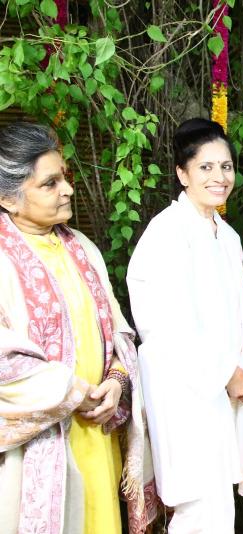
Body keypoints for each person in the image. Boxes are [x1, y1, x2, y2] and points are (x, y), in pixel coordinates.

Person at [0, 122, 154, 534]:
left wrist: (118, 381)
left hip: (96, 432)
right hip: (34, 447)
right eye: (49, 183)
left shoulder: (82, 248)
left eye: (64, 177)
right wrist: (72, 391)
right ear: (7, 198)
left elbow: (119, 335)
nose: (67, 189)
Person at [127, 118, 243, 533]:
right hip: (187, 393)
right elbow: (164, 325)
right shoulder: (167, 232)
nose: (219, 177)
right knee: (198, 508)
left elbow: (241, 314)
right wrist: (227, 374)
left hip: (227, 389)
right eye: (206, 167)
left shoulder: (228, 236)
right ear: (182, 174)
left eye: (226, 167)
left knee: (218, 505)